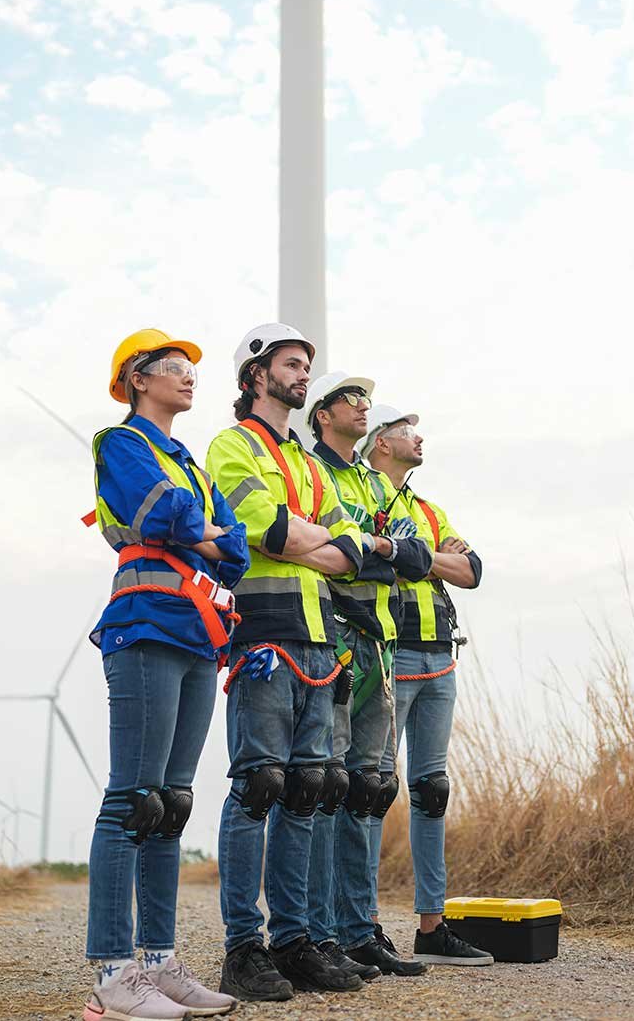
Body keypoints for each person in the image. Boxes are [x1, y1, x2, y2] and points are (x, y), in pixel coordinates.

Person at [82, 328, 251, 1021]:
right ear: (138, 379)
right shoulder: (121, 444)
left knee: (170, 804)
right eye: (174, 367)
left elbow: (235, 549)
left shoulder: (192, 465)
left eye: (191, 369)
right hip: (145, 624)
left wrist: (202, 533)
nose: (189, 377)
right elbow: (160, 513)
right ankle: (113, 974)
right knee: (132, 800)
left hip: (198, 634)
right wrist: (199, 531)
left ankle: (159, 962)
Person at [205, 325, 366, 1002]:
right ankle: (243, 949)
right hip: (264, 636)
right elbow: (262, 529)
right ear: (255, 374)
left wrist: (315, 542)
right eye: (292, 364)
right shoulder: (231, 446)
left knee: (306, 788)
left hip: (320, 638)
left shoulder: (307, 461)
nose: (304, 374)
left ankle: (294, 943)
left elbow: (352, 549)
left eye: (306, 365)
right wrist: (316, 541)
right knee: (259, 785)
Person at [302, 372, 433, 978]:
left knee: (367, 791)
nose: (363, 407)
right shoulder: (313, 473)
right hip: (335, 636)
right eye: (351, 399)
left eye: (366, 400)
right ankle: (319, 932)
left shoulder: (374, 482)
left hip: (382, 642)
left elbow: (414, 557)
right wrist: (376, 551)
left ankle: (359, 932)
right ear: (323, 414)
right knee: (325, 787)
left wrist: (372, 549)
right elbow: (325, 552)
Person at [363, 404, 493, 967]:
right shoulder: (362, 497)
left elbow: (472, 571)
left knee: (432, 790)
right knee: (371, 787)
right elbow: (368, 561)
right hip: (389, 653)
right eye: (406, 432)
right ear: (380, 443)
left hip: (441, 654)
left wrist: (416, 556)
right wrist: (430, 558)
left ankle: (432, 926)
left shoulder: (427, 510)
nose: (419, 439)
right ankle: (361, 922)